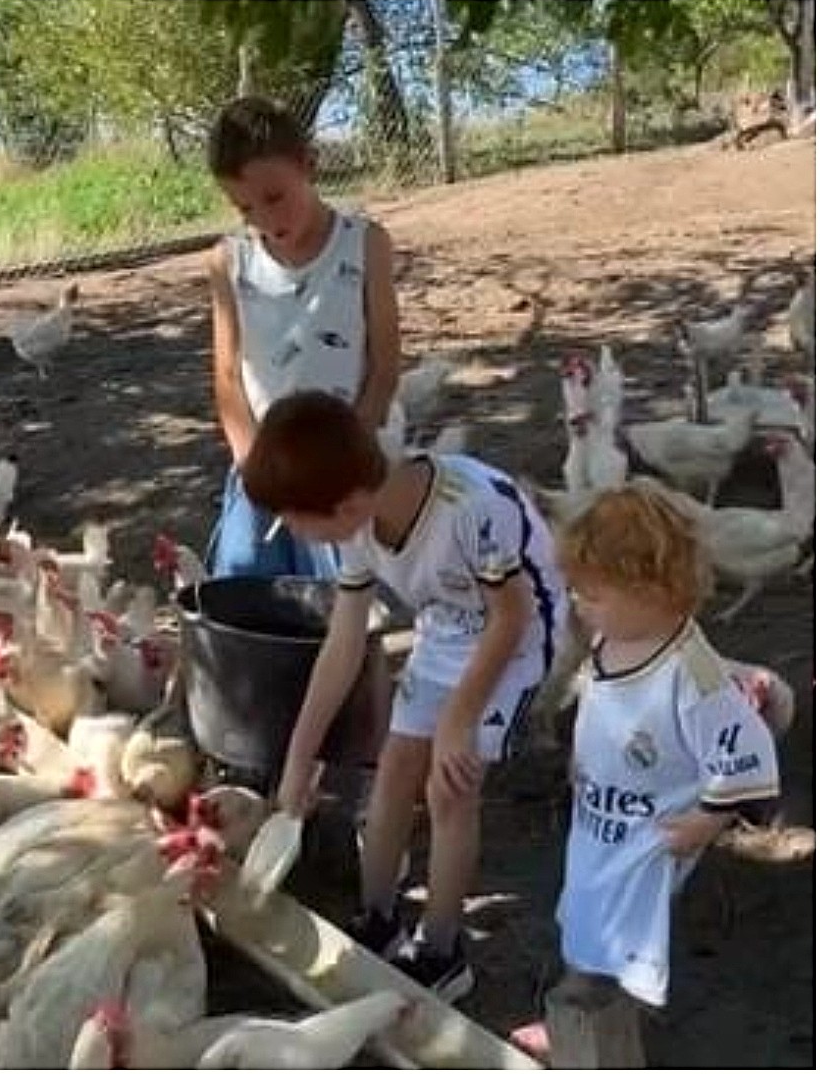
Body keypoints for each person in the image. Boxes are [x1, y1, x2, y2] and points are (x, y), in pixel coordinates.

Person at [248, 391, 564, 1000]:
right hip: (447, 625)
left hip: (516, 639)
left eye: (295, 519)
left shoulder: (472, 509)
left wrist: (458, 720)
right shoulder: (355, 526)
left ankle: (442, 949)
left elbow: (512, 616)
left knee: (450, 786)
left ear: (347, 504)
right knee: (394, 766)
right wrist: (297, 761)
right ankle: (377, 919)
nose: (290, 532)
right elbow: (343, 641)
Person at [517, 485, 778, 1048]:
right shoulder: (612, 640)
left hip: (651, 830)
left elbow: (744, 748)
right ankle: (586, 1008)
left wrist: (708, 820)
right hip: (600, 815)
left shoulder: (694, 672)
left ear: (650, 588)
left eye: (592, 594)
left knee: (625, 929)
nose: (580, 606)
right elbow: (606, 710)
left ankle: (599, 1023)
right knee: (584, 910)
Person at [203, 95, 402, 579]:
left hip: (341, 464)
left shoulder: (365, 243)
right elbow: (228, 376)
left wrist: (348, 453)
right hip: (266, 465)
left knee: (340, 600)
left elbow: (385, 364)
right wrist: (252, 462)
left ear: (308, 166)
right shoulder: (228, 262)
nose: (266, 221)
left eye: (274, 197)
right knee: (243, 586)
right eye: (245, 207)